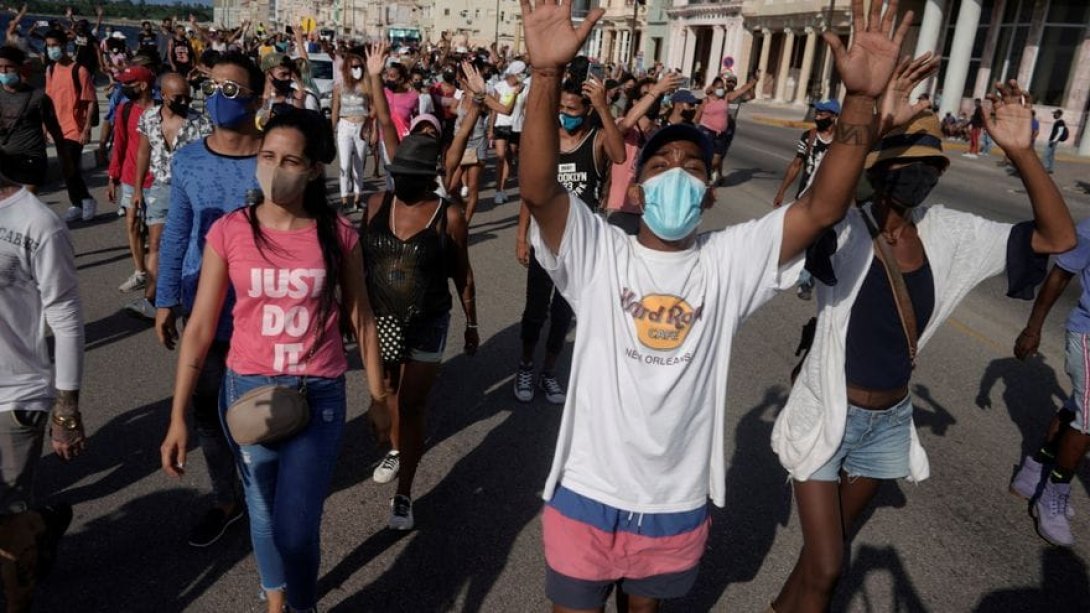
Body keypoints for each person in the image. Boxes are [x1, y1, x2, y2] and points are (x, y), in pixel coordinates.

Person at [518, 0, 916, 609]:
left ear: (708, 195)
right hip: (584, 493)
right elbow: (540, 188)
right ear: (640, 186)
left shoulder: (727, 261)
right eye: (661, 162)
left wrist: (859, 100)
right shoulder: (601, 251)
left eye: (693, 165)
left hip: (674, 506)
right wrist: (545, 75)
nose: (677, 172)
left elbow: (820, 209)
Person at [769, 78, 1076, 610]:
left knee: (826, 554)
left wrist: (1024, 154)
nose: (920, 175)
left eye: (931, 165)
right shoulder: (842, 227)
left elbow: (1057, 240)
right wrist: (874, 126)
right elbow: (819, 202)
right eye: (907, 163)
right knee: (829, 567)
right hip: (825, 411)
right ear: (877, 169)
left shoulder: (950, 233)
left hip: (886, 423)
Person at [161, 109, 386, 613]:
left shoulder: (338, 234)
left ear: (311, 169)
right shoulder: (230, 231)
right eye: (267, 156)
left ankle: (302, 604)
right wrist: (178, 416)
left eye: (289, 160)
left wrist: (378, 397)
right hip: (248, 391)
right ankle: (275, 599)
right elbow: (199, 329)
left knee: (296, 528)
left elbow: (362, 318)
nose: (274, 168)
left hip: (319, 392)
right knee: (262, 515)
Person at [362, 45, 482, 527]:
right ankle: (395, 447)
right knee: (386, 390)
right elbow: (388, 127)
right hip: (384, 316)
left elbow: (464, 272)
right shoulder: (380, 199)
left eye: (433, 134)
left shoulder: (446, 205)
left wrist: (472, 323)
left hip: (430, 319)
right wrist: (374, 77)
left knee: (412, 404)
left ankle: (405, 490)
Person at [155, 52, 264, 548]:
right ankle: (226, 498)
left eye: (233, 90)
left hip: (263, 311)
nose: (219, 99)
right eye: (213, 87)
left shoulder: (277, 159)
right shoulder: (189, 158)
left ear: (258, 99)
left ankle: (265, 493)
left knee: (261, 414)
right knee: (206, 410)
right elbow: (177, 230)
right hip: (202, 305)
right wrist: (164, 298)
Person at [0, 150, 86, 613]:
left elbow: (67, 318)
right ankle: (43, 522)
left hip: (14, 393)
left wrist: (66, 408)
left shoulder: (36, 222)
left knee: (6, 526)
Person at [513, 75, 625, 404]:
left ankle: (548, 372)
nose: (565, 113)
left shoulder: (597, 138)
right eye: (561, 107)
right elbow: (530, 195)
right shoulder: (546, 141)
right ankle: (525, 366)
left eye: (572, 108)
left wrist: (604, 107)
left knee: (563, 314)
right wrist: (521, 236)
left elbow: (619, 156)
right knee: (535, 311)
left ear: (587, 109)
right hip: (544, 242)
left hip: (580, 247)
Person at [1010, 218, 1090, 547]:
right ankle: (1052, 496)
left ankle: (1033, 471)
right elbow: (1059, 276)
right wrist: (1033, 328)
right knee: (1089, 419)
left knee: (1077, 407)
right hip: (1087, 335)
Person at [124, 72, 213, 320]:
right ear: (163, 95)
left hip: (190, 191)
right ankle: (151, 299)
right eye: (178, 97)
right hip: (161, 188)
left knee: (188, 245)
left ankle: (186, 294)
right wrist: (138, 189)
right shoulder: (149, 118)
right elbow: (143, 153)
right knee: (155, 244)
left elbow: (208, 160)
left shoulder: (201, 122)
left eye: (187, 97)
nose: (184, 102)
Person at [773, 98, 841, 300]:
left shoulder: (841, 142)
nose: (818, 115)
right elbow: (796, 164)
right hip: (805, 197)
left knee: (821, 240)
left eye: (823, 112)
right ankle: (799, 274)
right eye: (817, 111)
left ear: (834, 117)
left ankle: (806, 276)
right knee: (805, 237)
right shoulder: (809, 136)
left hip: (830, 200)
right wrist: (781, 191)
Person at [602, 74, 680, 235]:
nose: (654, 100)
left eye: (658, 96)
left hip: (651, 213)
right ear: (635, 102)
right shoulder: (622, 125)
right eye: (648, 96)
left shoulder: (660, 134)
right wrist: (657, 88)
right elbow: (626, 124)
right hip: (621, 208)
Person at [107, 65, 157, 296]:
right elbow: (119, 143)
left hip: (156, 181)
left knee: (158, 234)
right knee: (132, 224)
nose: (123, 87)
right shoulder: (124, 109)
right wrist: (112, 176)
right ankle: (139, 272)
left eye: (128, 83)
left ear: (143, 85)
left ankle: (159, 278)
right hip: (129, 178)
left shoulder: (160, 111)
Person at [43, 29, 98, 223]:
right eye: (48, 46)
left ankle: (87, 199)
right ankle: (76, 203)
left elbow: (91, 100)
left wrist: (87, 128)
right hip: (57, 128)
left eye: (54, 45)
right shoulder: (50, 70)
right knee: (67, 169)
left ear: (64, 46)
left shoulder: (79, 70)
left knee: (71, 167)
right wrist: (45, 126)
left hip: (75, 128)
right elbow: (48, 100)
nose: (52, 50)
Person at [0, 46, 69, 193]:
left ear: (19, 67)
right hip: (4, 159)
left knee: (26, 207)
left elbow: (55, 130)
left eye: (9, 67)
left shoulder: (39, 97)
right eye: (0, 67)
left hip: (31, 160)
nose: (3, 72)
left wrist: (65, 160)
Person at [331, 51, 372, 212]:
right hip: (345, 125)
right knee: (344, 164)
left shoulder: (366, 86)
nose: (357, 69)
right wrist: (330, 131)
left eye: (359, 66)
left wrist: (370, 127)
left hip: (362, 126)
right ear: (347, 68)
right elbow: (335, 110)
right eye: (354, 66)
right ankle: (344, 200)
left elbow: (372, 108)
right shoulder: (339, 87)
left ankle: (357, 199)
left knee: (359, 164)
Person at [697, 73, 756, 184]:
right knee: (707, 153)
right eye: (728, 81)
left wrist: (752, 83)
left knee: (720, 154)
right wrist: (718, 78)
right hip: (709, 129)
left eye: (733, 82)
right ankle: (708, 175)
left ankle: (715, 173)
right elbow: (708, 91)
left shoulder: (733, 96)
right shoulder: (715, 96)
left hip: (727, 128)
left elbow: (747, 93)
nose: (730, 84)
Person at [489, 61, 526, 205]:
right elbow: (494, 109)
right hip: (501, 124)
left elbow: (525, 109)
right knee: (500, 156)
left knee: (510, 156)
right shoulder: (500, 86)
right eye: (521, 73)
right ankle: (498, 190)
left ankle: (503, 188)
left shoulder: (525, 88)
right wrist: (491, 128)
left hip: (516, 126)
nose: (523, 75)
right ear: (514, 73)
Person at [1044, 108, 1068, 174]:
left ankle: (1046, 167)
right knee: (1051, 155)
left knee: (1046, 154)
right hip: (1053, 140)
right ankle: (1050, 168)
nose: (1054, 115)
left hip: (1053, 141)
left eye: (1055, 114)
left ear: (1059, 114)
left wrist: (1053, 141)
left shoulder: (1061, 122)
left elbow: (1060, 133)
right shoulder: (1058, 122)